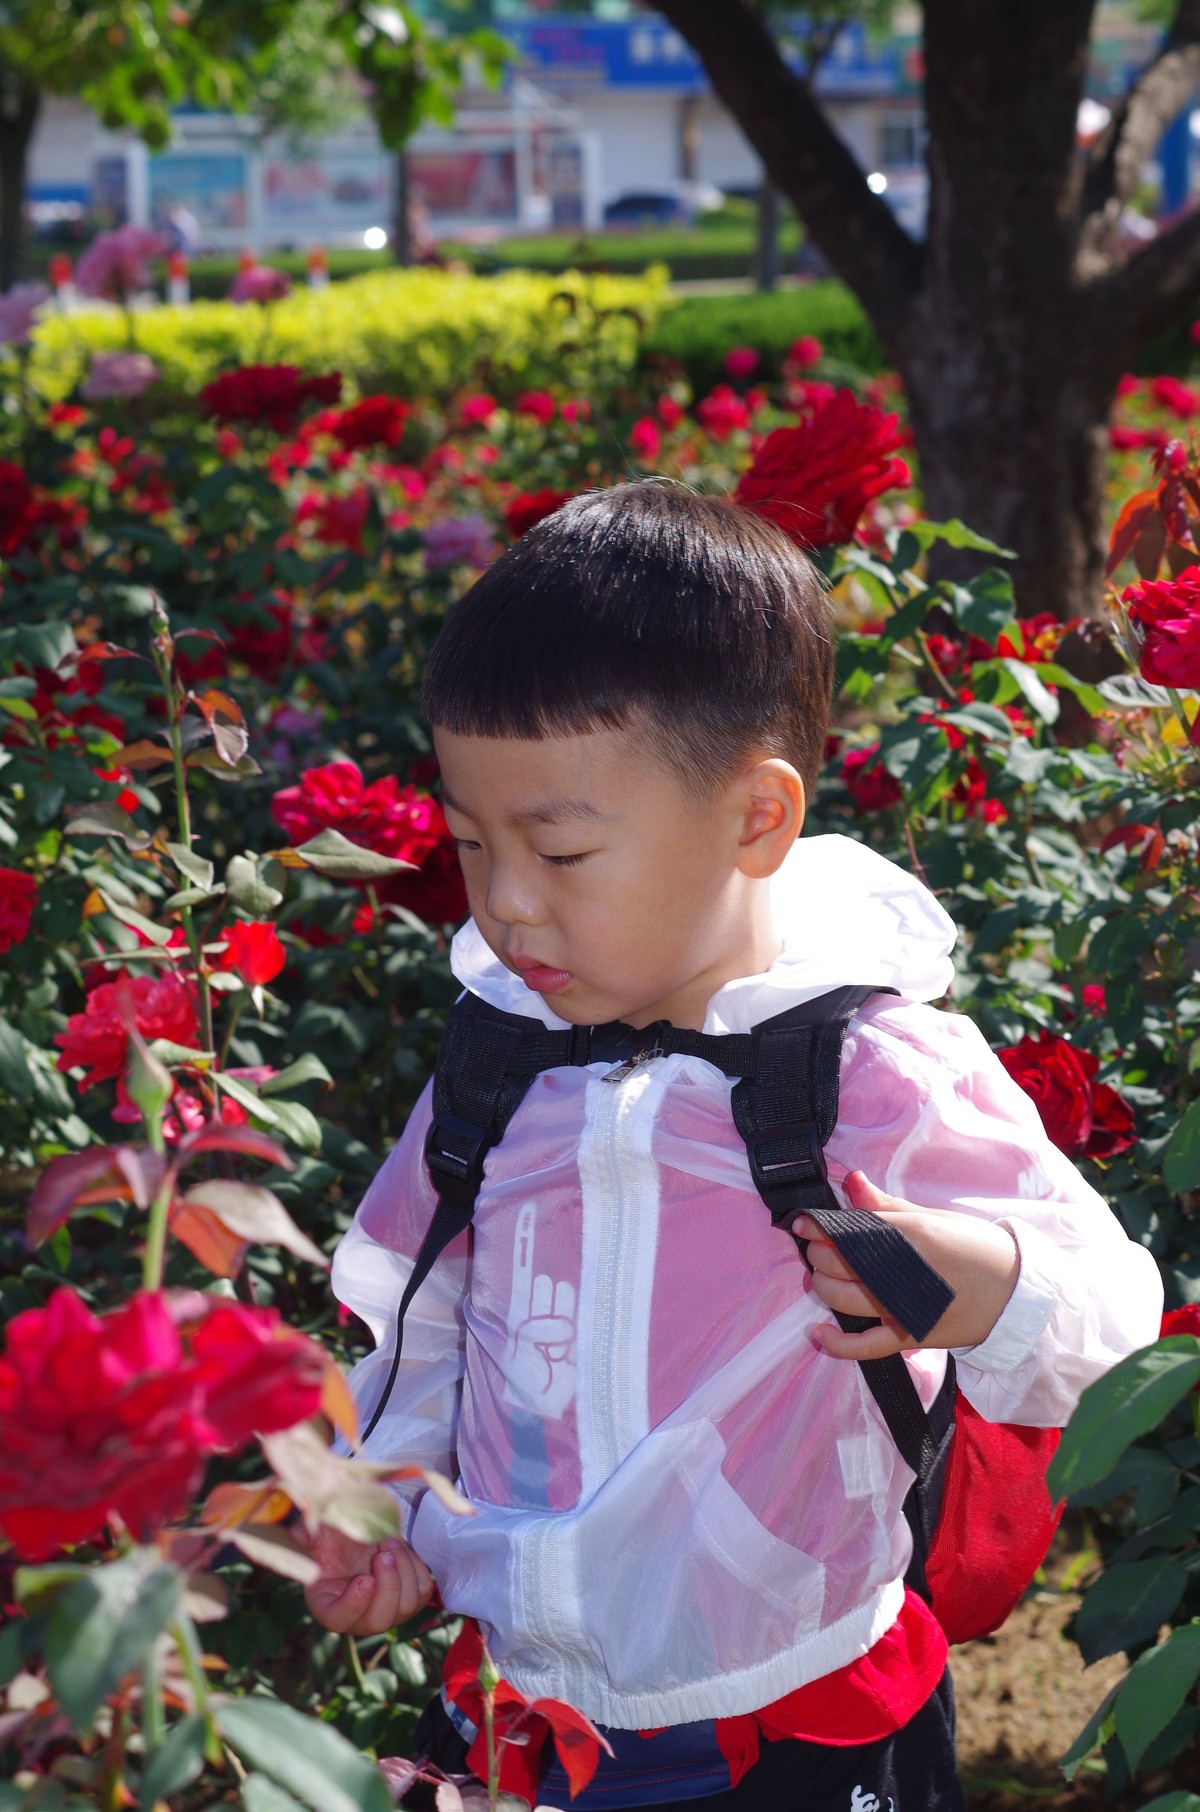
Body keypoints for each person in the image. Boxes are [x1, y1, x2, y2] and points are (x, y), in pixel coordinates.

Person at [303, 482, 1163, 1811]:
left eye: (564, 849)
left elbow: (1112, 1325)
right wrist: (390, 1510)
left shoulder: (860, 1069)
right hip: (517, 1711)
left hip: (794, 1719)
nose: (510, 901)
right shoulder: (501, 1060)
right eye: (474, 844)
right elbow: (426, 1324)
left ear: (757, 818)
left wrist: (975, 1278)